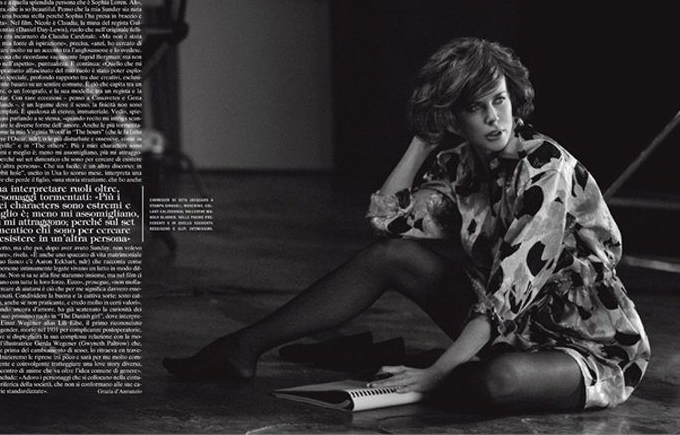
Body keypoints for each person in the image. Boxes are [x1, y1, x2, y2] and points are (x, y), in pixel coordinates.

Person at [163, 37, 650, 413]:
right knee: (391, 257)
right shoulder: (460, 165)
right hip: (512, 329)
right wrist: (424, 139)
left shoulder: (546, 167)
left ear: (513, 97)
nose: (494, 118)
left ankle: (455, 369)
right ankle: (241, 348)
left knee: (495, 382)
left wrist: (435, 372)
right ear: (454, 118)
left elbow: (509, 289)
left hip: (585, 342)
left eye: (499, 100)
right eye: (475, 108)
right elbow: (387, 223)